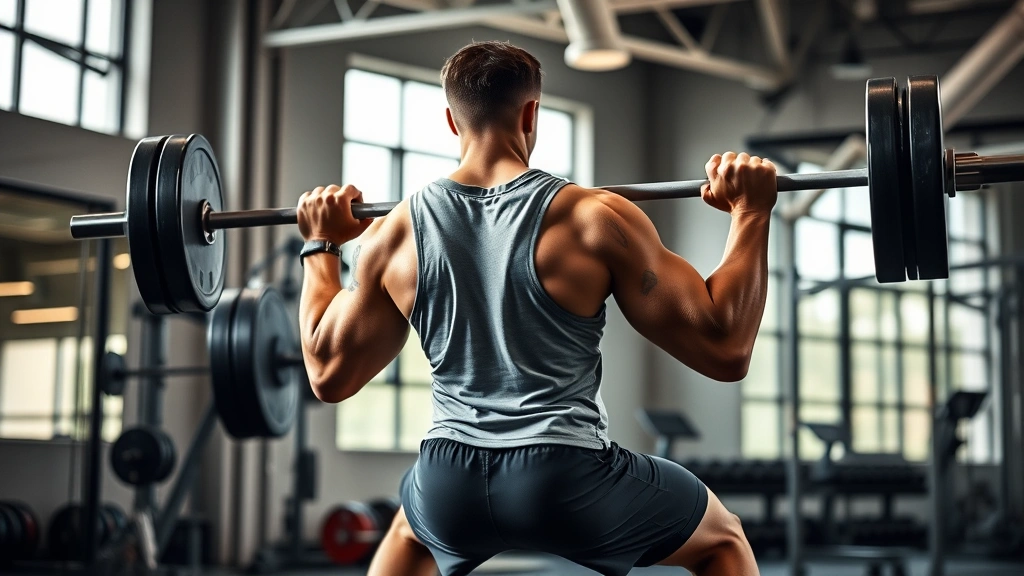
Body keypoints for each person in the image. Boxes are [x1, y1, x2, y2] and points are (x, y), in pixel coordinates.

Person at [296, 41, 774, 576]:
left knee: (412, 525)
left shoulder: (394, 233)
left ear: (452, 122)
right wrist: (751, 210)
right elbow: (726, 348)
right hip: (564, 479)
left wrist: (321, 246)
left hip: (449, 479)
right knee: (722, 539)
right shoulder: (593, 218)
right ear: (531, 113)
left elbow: (328, 375)